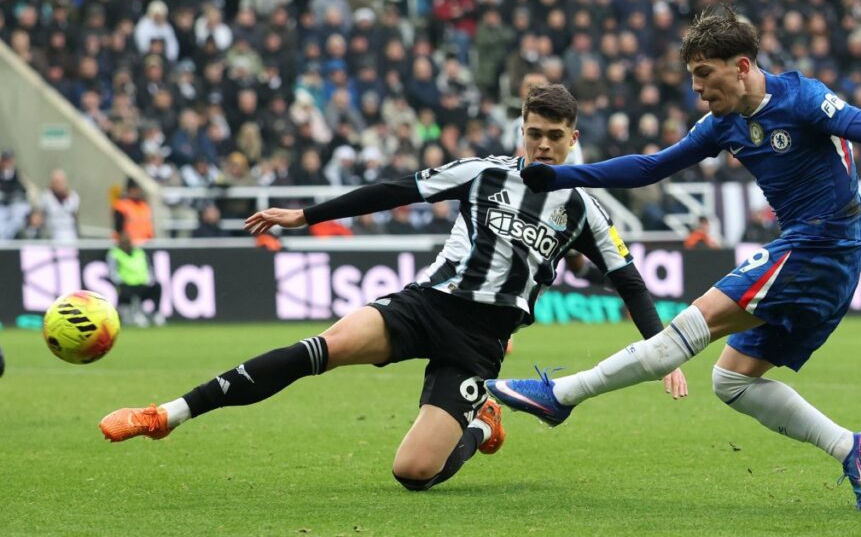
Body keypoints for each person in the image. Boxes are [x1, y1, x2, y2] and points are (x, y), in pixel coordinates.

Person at [98, 84, 685, 492]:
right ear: (521, 131)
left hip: (479, 343)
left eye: (555, 136)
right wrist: (307, 216)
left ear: (573, 138)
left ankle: (483, 421)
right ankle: (166, 414)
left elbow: (631, 283)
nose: (544, 146)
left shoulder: (584, 211)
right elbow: (393, 190)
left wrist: (663, 352)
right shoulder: (483, 172)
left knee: (413, 473)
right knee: (321, 349)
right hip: (424, 306)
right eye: (535, 134)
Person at [486, 7, 861, 511]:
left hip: (822, 245)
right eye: (692, 77)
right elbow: (651, 167)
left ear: (741, 66)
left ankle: (561, 396)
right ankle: (851, 448)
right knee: (731, 381)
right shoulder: (723, 123)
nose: (697, 89)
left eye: (704, 74)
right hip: (817, 256)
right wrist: (561, 176)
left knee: (687, 329)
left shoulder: (804, 98)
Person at [107, 233, 165, 327]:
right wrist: (121, 282)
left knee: (157, 286)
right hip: (127, 286)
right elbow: (113, 272)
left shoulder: (139, 252)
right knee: (130, 291)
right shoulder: (115, 254)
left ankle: (156, 314)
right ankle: (136, 314)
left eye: (127, 242)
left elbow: (149, 268)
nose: (126, 244)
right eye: (123, 242)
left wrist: (150, 280)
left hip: (142, 284)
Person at [113, 178, 155, 244]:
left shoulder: (144, 205)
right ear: (129, 190)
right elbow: (118, 227)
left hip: (146, 243)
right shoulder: (122, 205)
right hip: (128, 245)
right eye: (134, 189)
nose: (137, 192)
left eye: (138, 190)